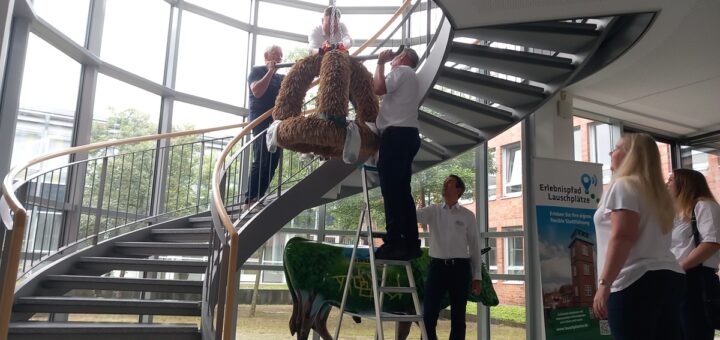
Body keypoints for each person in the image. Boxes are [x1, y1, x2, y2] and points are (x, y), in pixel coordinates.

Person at [592, 133, 686, 340]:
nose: (610, 153)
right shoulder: (659, 193)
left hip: (633, 280)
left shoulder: (624, 185)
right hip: (669, 277)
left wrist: (604, 284)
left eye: (616, 148)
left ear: (630, 156)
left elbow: (623, 236)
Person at [417, 175, 482, 340]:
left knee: (458, 316)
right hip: (437, 267)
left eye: (449, 183)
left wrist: (477, 277)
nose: (445, 186)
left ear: (459, 190)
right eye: (444, 183)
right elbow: (413, 215)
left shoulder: (468, 216)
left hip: (460, 268)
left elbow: (474, 247)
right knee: (428, 313)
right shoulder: (434, 211)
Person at [372, 47, 421, 261]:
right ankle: (410, 242)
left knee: (391, 191)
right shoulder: (412, 78)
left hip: (396, 136)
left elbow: (379, 88)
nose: (393, 60)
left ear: (402, 58)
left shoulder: (401, 71)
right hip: (409, 135)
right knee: (402, 192)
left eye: (395, 57)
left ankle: (394, 242)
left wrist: (380, 63)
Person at [667, 168, 720, 340]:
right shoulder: (679, 213)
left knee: (694, 330)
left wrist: (679, 267)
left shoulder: (704, 206)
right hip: (679, 278)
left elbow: (711, 243)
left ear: (685, 184)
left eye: (671, 180)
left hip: (696, 278)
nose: (666, 184)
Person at [243, 45, 284, 213]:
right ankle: (249, 199)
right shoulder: (257, 71)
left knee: (273, 160)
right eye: (276, 55)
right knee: (261, 159)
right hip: (260, 122)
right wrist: (269, 72)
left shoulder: (280, 77)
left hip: (276, 123)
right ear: (266, 55)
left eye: (281, 56)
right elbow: (257, 91)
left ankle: (259, 197)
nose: (280, 58)